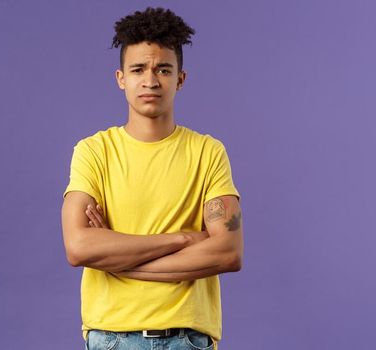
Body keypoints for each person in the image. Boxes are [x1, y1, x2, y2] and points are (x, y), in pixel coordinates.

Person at [61, 7, 244, 350]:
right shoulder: (94, 151)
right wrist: (181, 239)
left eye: (163, 69)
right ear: (121, 78)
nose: (150, 80)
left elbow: (227, 252)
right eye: (138, 69)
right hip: (112, 338)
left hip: (186, 339)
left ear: (180, 79)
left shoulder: (208, 152)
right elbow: (79, 246)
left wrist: (120, 262)